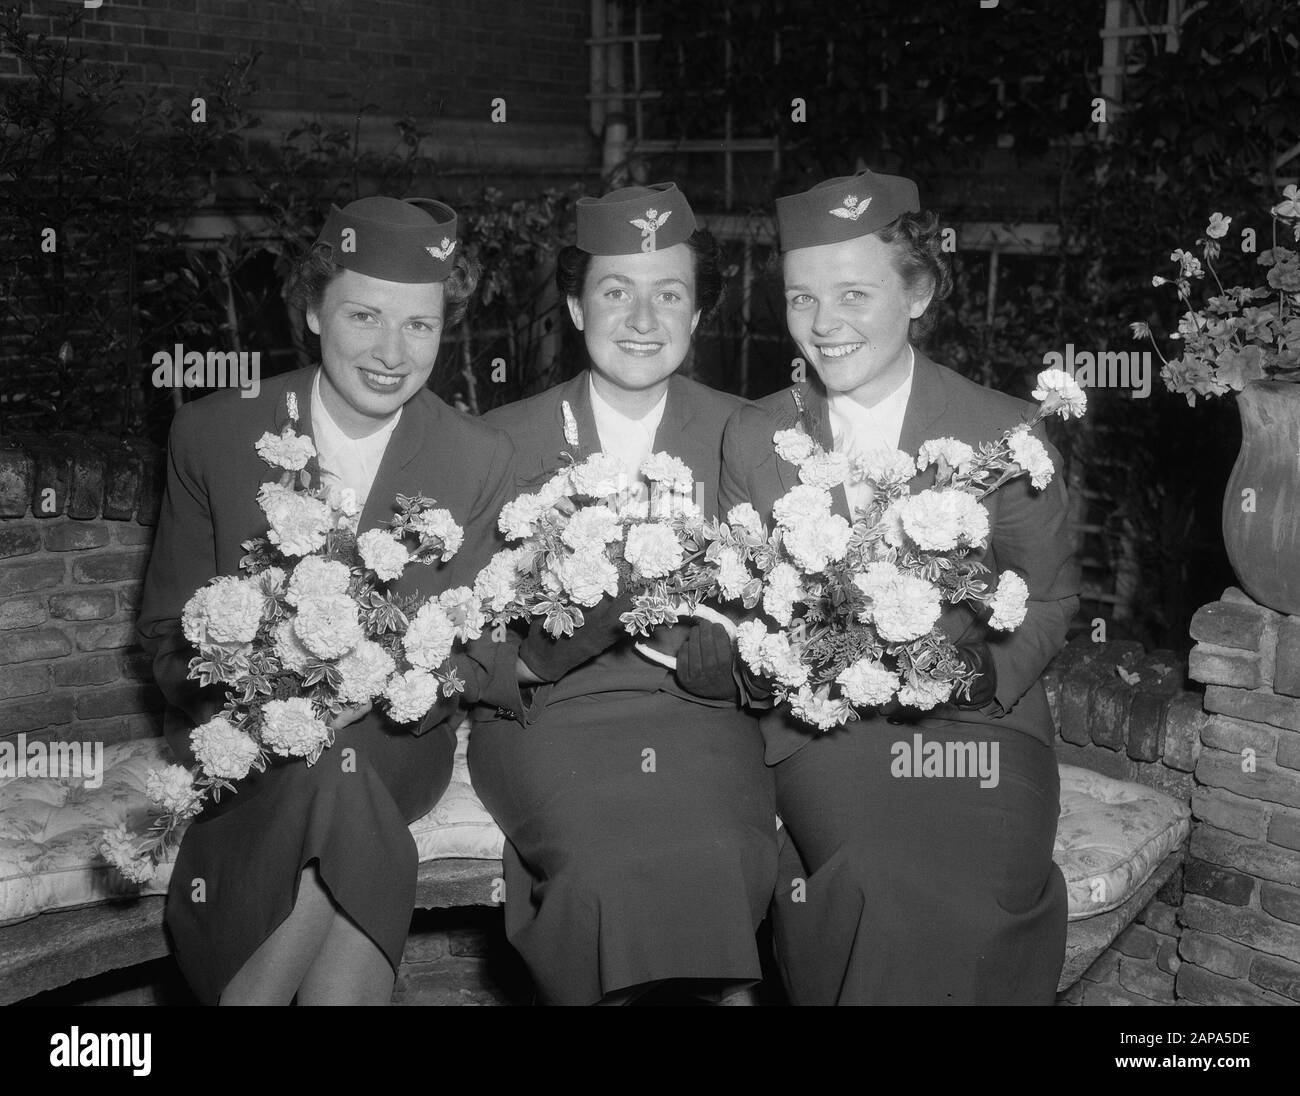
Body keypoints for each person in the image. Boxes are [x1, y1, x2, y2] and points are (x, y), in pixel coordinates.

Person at [137, 196, 524, 1005]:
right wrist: (266, 695)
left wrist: (379, 688)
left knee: (345, 771)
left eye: (419, 325)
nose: (392, 352)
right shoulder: (212, 433)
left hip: (392, 741)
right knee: (334, 797)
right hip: (244, 741)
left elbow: (487, 653)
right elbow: (168, 632)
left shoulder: (478, 457)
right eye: (363, 316)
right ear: (312, 311)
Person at [718, 169, 1079, 1005]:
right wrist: (778, 657)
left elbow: (1054, 600)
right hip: (827, 734)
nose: (825, 324)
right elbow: (745, 611)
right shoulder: (756, 435)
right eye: (802, 299)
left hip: (981, 729)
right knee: (880, 877)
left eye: (854, 293)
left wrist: (982, 670)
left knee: (976, 886)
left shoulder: (1003, 433)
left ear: (918, 293)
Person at [466, 182, 778, 1005]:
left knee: (718, 849)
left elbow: (796, 617)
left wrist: (741, 668)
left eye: (668, 294)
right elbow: (451, 637)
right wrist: (529, 662)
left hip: (702, 717)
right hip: (554, 719)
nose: (643, 318)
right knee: (605, 864)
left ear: (698, 314)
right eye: (614, 291)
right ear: (573, 305)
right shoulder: (500, 441)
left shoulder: (750, 433)